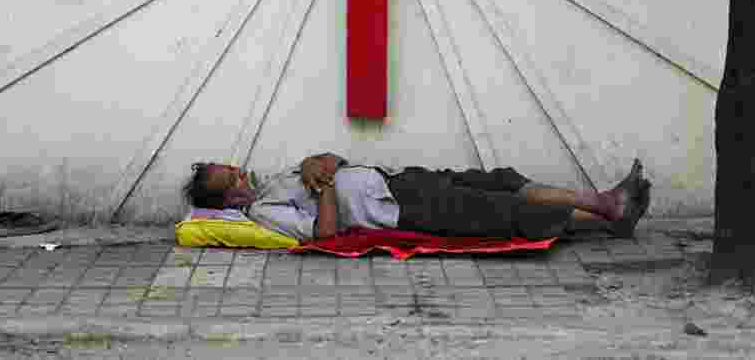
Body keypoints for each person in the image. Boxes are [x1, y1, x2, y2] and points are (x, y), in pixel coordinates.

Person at [182, 154, 651, 244]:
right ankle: (610, 210)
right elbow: (324, 234)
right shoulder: (264, 212)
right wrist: (321, 185)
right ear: (230, 201)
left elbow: (337, 160)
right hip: (400, 209)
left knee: (501, 181)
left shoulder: (274, 179)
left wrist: (316, 161)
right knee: (504, 212)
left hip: (400, 180)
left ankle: (604, 204)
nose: (243, 171)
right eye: (233, 178)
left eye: (234, 165)